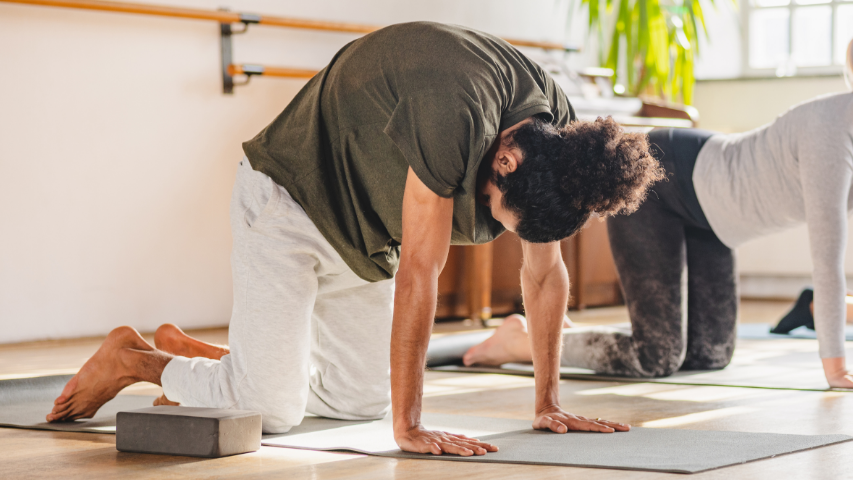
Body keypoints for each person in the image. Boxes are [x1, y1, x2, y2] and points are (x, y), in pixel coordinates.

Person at [46, 22, 664, 455]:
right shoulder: (454, 108)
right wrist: (412, 426)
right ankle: (135, 360)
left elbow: (544, 272)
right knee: (276, 412)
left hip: (365, 237)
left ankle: (228, 363)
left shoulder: (552, 137)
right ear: (504, 157)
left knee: (359, 401)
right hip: (289, 200)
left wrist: (548, 402)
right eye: (486, 203)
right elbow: (422, 270)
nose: (475, 210)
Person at [465, 68, 853, 388]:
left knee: (709, 355)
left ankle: (561, 332)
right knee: (656, 357)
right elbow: (828, 259)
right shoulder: (830, 130)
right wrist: (836, 367)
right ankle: (521, 340)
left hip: (713, 218)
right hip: (664, 184)